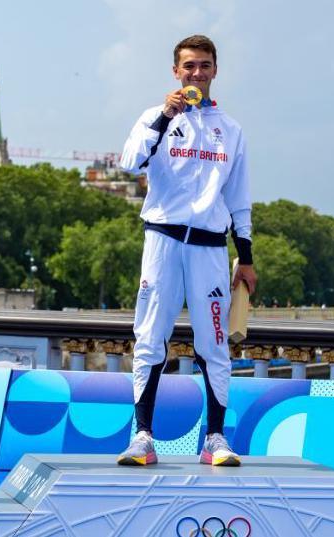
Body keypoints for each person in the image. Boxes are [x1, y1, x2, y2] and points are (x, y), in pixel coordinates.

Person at [117, 35, 257, 467]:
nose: (197, 73)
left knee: (214, 342)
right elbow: (128, 162)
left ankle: (215, 437)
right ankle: (142, 436)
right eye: (189, 66)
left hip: (210, 248)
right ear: (176, 71)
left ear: (215, 70)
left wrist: (247, 257)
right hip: (162, 240)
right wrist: (164, 116)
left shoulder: (231, 130)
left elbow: (239, 200)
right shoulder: (154, 118)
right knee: (149, 337)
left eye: (205, 65)